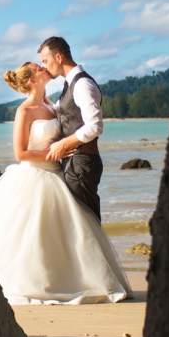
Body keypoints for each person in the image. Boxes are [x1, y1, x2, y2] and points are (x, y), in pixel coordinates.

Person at [0, 61, 131, 305]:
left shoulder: (51, 104)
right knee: (30, 235)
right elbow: (20, 154)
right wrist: (55, 153)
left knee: (67, 233)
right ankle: (36, 283)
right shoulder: (24, 111)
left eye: (42, 64)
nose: (44, 69)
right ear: (31, 81)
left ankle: (72, 279)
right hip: (33, 176)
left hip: (57, 174)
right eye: (39, 68)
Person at [37, 35, 105, 221]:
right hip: (75, 163)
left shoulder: (82, 84)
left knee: (87, 223)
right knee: (80, 225)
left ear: (59, 57)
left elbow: (95, 125)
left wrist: (63, 144)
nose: (44, 66)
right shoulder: (69, 84)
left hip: (82, 163)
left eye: (45, 61)